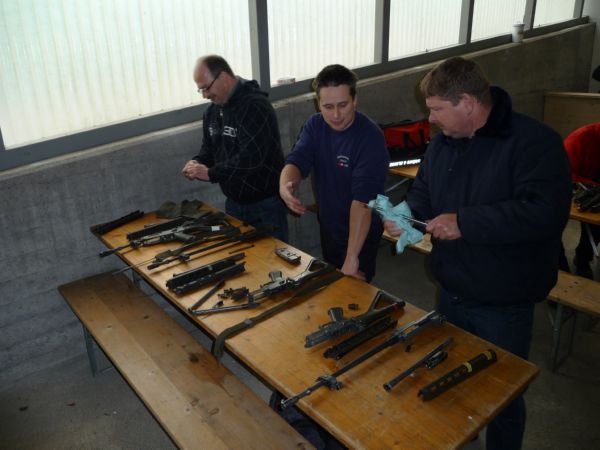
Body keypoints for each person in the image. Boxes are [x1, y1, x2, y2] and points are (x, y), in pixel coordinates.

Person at [384, 57, 571, 450]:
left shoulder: (534, 143)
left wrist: (465, 223)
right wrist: (404, 215)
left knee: (502, 396)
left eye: (436, 109)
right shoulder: (442, 144)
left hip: (503, 300)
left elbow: (545, 214)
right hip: (452, 290)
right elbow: (423, 194)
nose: (430, 119)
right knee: (453, 386)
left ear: (467, 103)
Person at [279, 64, 389, 282]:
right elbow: (296, 161)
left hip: (361, 232)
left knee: (355, 292)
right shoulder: (314, 125)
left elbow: (363, 201)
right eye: (328, 107)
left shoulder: (370, 137)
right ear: (318, 103)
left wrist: (352, 257)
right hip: (330, 227)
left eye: (343, 105)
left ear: (355, 100)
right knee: (334, 285)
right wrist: (285, 185)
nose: (336, 115)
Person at [182, 55, 288, 242]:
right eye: (201, 90)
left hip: (265, 204)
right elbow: (209, 150)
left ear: (223, 77)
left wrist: (210, 173)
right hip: (234, 204)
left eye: (206, 88)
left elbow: (251, 159)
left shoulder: (255, 106)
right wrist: (196, 162)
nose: (205, 95)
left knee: (274, 257)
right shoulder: (212, 112)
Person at [565, 122, 600, 278]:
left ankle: (583, 258)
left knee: (595, 227)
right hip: (570, 187)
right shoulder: (580, 139)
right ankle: (564, 268)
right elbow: (565, 174)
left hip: (593, 186)